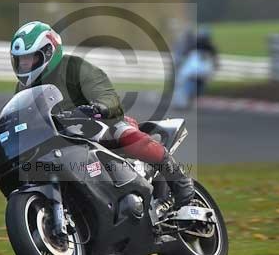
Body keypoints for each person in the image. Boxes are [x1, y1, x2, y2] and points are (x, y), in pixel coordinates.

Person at [10, 20, 195, 210]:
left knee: (124, 136)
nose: (25, 65)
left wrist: (100, 107)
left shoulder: (75, 67)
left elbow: (106, 94)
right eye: (21, 61)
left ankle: (180, 181)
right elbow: (21, 117)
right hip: (60, 140)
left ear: (48, 52)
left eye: (31, 58)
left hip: (97, 124)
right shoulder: (22, 88)